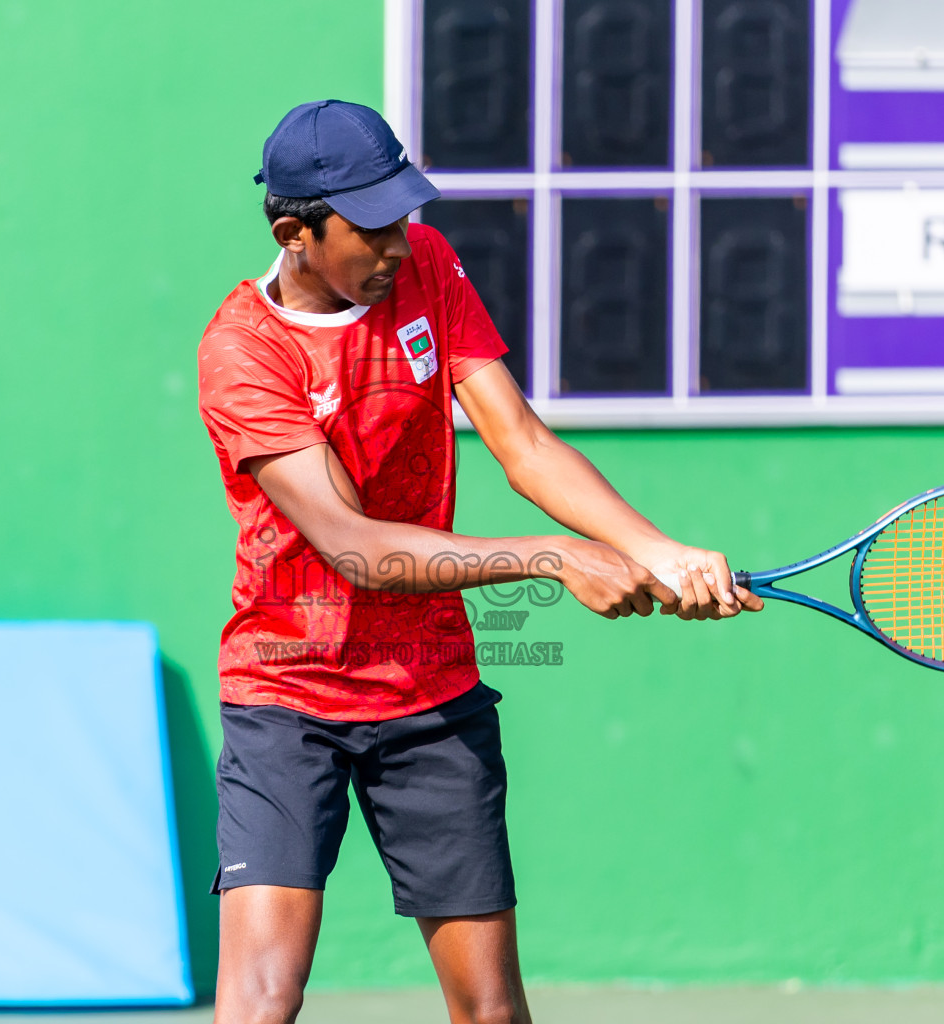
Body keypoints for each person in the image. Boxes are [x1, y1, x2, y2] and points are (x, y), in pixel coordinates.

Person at [196, 99, 763, 1024]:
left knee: (491, 1012)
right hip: (285, 698)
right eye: (371, 227)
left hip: (431, 700)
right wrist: (552, 559)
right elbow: (354, 547)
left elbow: (524, 445)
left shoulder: (427, 266)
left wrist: (651, 550)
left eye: (404, 217)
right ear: (294, 233)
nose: (396, 244)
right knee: (260, 1002)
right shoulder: (243, 355)